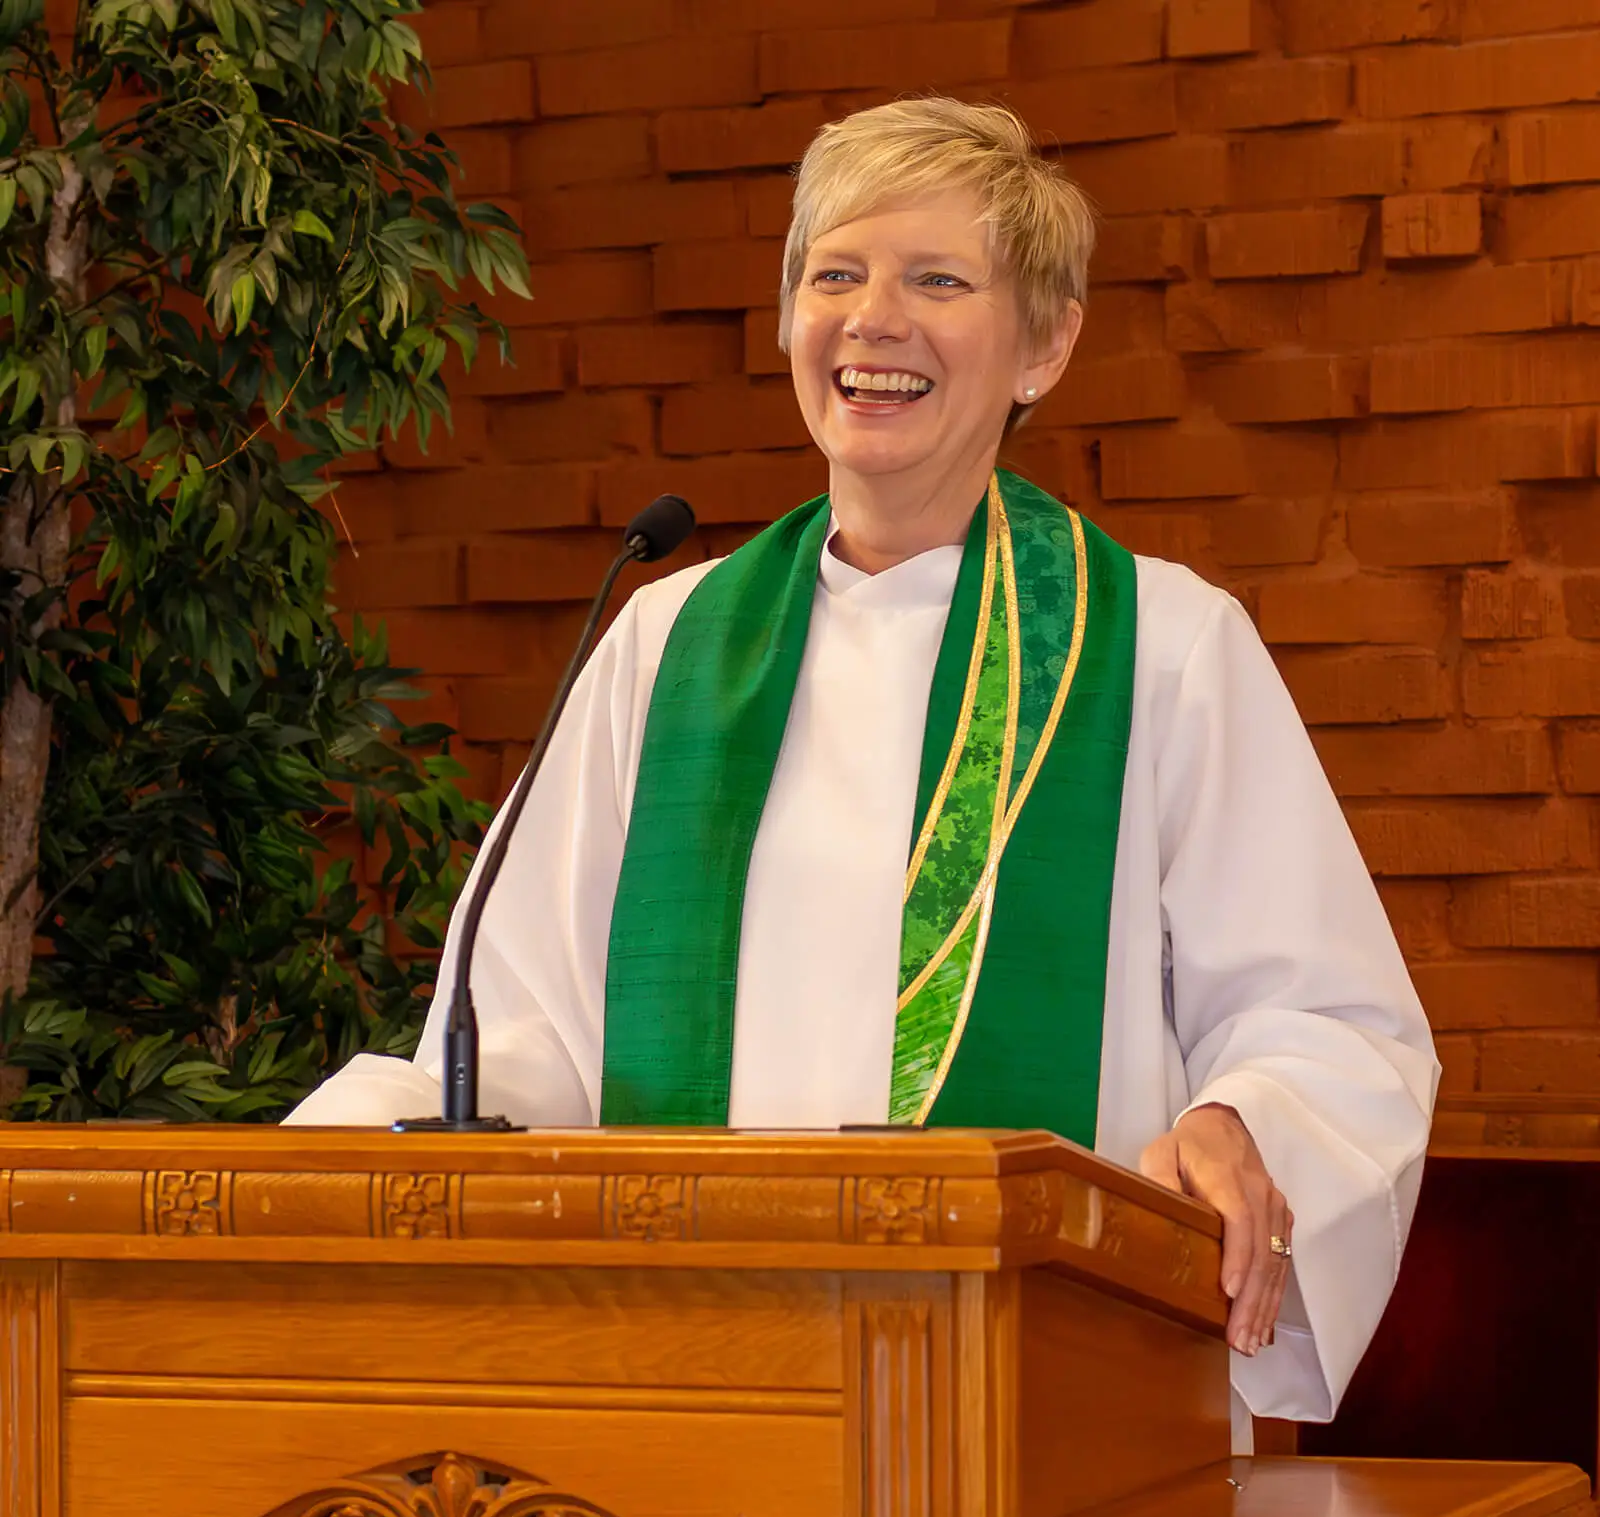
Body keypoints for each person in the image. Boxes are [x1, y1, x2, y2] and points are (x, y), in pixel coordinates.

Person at [287, 98, 1438, 1444]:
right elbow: (528, 1032)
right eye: (834, 275)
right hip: (688, 1403)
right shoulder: (666, 646)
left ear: (1046, 345)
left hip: (1048, 1416)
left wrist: (1244, 1119)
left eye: (938, 281)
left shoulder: (1164, 652)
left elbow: (1328, 1026)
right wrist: (356, 1144)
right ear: (787, 324)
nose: (873, 319)